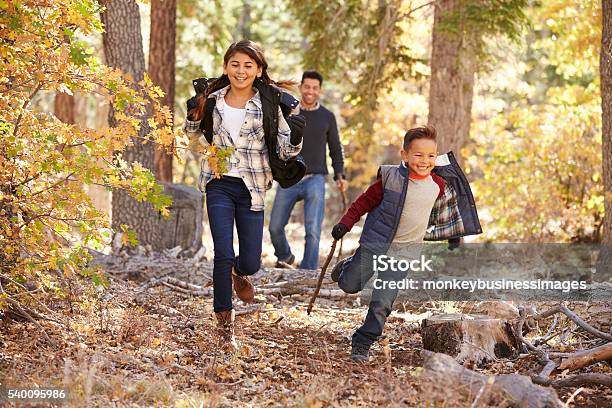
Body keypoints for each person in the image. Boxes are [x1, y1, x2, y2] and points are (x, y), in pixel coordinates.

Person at [184, 40, 304, 350]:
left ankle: (241, 273)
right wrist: (193, 119)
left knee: (250, 262)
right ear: (226, 67)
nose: (241, 70)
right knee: (222, 253)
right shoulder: (212, 100)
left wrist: (296, 137)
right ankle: (225, 324)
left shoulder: (268, 104)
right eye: (235, 64)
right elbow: (195, 142)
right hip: (219, 182)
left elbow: (284, 151)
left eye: (248, 65)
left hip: (252, 186)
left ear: (259, 70)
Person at [329, 125, 482, 362]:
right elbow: (362, 203)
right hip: (376, 244)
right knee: (349, 285)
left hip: (405, 254)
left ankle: (362, 343)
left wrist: (454, 236)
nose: (424, 161)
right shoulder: (390, 178)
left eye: (431, 156)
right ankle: (347, 267)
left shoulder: (438, 185)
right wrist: (345, 225)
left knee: (383, 301)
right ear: (405, 155)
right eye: (418, 155)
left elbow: (443, 213)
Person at [269, 70, 347, 270]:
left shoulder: (327, 116)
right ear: (301, 87)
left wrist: (340, 174)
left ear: (319, 91)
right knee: (275, 227)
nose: (310, 91)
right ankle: (285, 256)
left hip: (315, 178)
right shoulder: (287, 112)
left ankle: (308, 269)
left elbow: (336, 148)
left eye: (315, 88)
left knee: (312, 229)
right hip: (289, 177)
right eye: (307, 87)